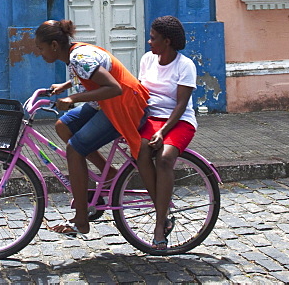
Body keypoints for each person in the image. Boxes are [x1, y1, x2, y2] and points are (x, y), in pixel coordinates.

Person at [35, 19, 149, 236]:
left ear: (54, 46)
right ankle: (108, 177)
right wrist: (66, 86)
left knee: (75, 149)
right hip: (105, 103)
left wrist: (73, 98)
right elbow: (89, 74)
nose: (40, 53)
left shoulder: (79, 58)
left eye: (41, 48)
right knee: (63, 126)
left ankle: (81, 219)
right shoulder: (73, 56)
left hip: (123, 105)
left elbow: (113, 87)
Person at [135, 15, 198, 249]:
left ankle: (160, 223)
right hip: (151, 117)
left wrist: (162, 132)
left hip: (178, 120)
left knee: (164, 159)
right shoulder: (147, 60)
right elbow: (141, 94)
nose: (149, 42)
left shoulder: (185, 65)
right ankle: (162, 206)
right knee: (139, 150)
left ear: (167, 41)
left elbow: (181, 105)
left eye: (153, 38)